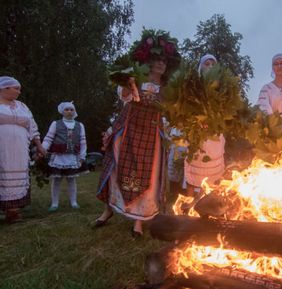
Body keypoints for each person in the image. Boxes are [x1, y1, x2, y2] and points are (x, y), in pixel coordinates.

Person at [95, 31, 181, 237]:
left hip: (151, 132)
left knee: (148, 173)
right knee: (117, 166)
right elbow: (125, 97)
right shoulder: (137, 78)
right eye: (158, 60)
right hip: (129, 126)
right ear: (149, 61)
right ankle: (108, 210)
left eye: (164, 61)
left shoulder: (168, 88)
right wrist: (129, 83)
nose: (161, 64)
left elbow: (170, 110)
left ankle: (139, 222)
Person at [0, 76, 45, 223]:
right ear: (4, 88)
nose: (19, 92)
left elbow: (32, 127)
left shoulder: (22, 106)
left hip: (19, 149)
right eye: (16, 88)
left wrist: (39, 145)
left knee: (16, 176)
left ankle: (13, 211)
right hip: (2, 148)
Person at [183, 54, 226, 198]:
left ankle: (211, 207)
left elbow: (226, 110)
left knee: (213, 172)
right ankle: (188, 208)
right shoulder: (193, 85)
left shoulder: (222, 88)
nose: (210, 67)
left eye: (213, 64)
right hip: (196, 131)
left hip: (214, 134)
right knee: (194, 166)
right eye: (207, 64)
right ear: (200, 66)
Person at [42, 101, 87, 211]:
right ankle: (54, 203)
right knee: (56, 180)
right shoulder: (55, 124)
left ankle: (74, 202)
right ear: (62, 111)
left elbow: (83, 142)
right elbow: (49, 138)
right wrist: (42, 149)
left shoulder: (80, 125)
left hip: (72, 158)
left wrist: (82, 156)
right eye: (67, 109)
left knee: (72, 180)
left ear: (74, 111)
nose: (69, 111)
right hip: (58, 157)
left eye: (72, 109)